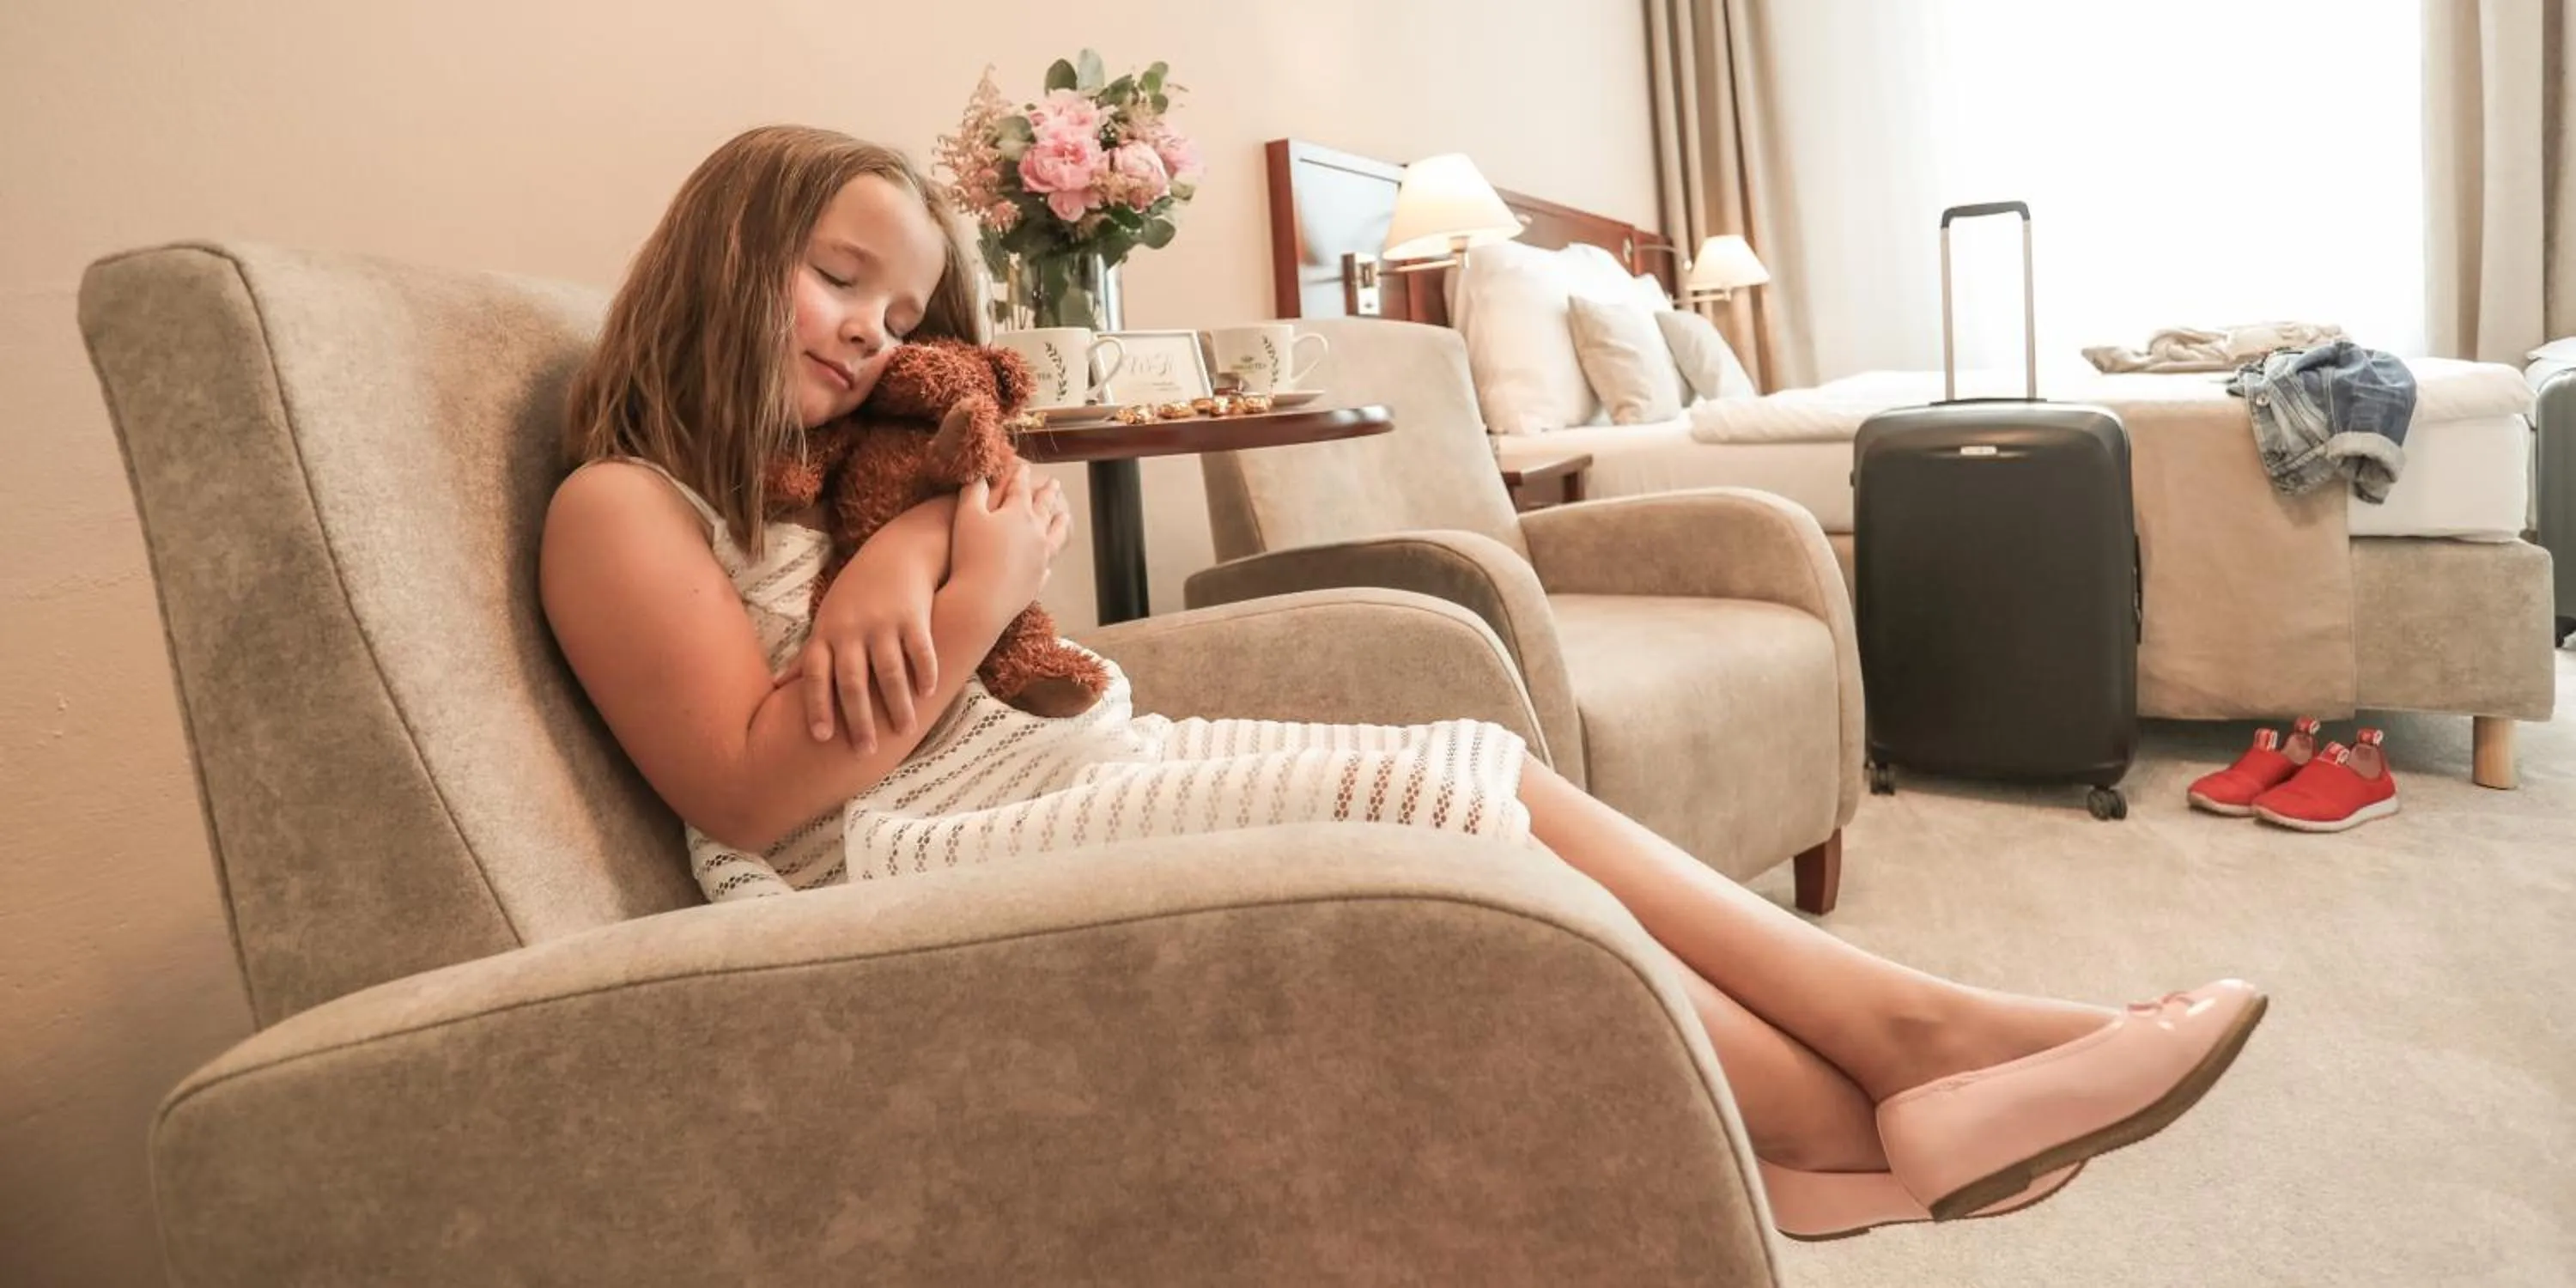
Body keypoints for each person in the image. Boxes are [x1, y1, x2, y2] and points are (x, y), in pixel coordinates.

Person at [538, 125, 2266, 1242]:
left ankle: (1902, 1076)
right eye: (837, 278)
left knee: (1472, 765)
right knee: (1447, 806)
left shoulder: (848, 475)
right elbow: (751, 789)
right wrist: (973, 574)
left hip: (1029, 778)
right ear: (718, 259)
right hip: (888, 858)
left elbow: (971, 502)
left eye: (898, 304)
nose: (870, 329)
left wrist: (920, 545)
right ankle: (1881, 1098)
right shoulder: (623, 507)